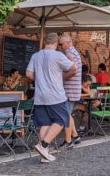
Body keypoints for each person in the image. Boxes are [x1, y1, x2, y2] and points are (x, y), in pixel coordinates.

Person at [25, 33, 77, 163]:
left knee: (45, 123)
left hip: (39, 96)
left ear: (45, 43)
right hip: (55, 95)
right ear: (55, 43)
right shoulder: (58, 55)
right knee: (62, 119)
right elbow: (74, 68)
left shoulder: (35, 56)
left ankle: (45, 154)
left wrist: (40, 80)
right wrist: (64, 74)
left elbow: (29, 74)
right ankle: (43, 145)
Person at [58, 34, 82, 149]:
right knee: (68, 114)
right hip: (72, 90)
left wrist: (61, 77)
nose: (60, 47)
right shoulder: (74, 52)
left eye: (61, 44)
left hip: (69, 90)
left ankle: (68, 142)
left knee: (65, 116)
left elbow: (73, 70)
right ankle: (76, 136)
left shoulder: (69, 53)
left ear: (67, 43)